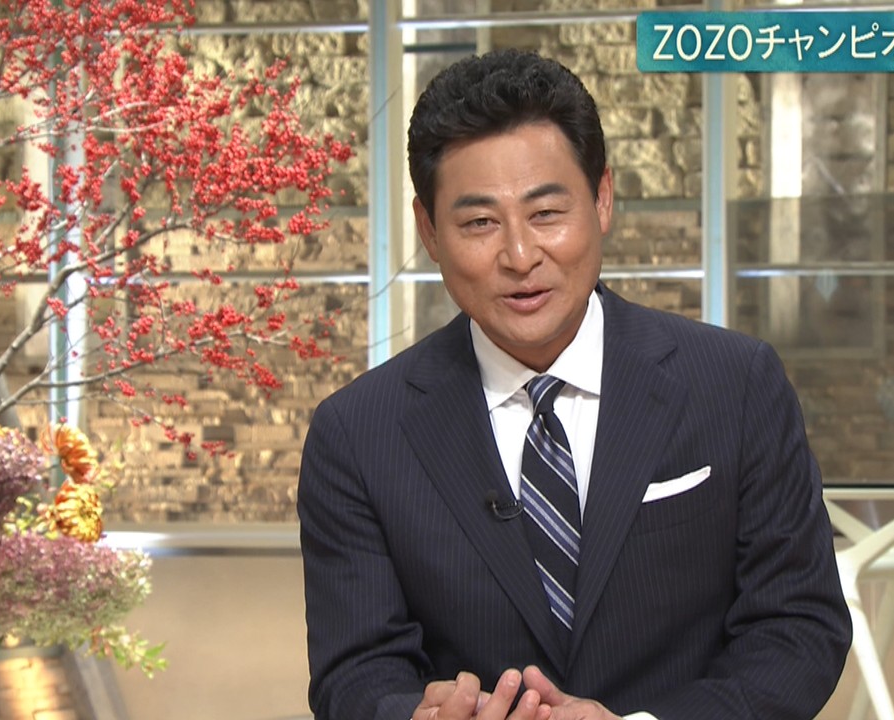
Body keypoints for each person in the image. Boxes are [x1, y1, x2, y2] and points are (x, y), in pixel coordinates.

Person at [297, 49, 851, 720]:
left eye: (546, 213)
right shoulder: (357, 434)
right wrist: (417, 715)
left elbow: (797, 626)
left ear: (602, 200)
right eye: (479, 223)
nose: (520, 256)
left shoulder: (736, 384)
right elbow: (353, 673)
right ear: (429, 232)